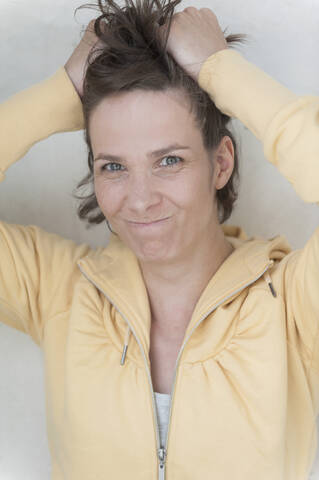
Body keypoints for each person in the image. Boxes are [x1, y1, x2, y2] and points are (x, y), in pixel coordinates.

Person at [1, 0, 319, 478]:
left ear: (221, 163)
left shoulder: (294, 304)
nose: (140, 200)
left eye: (169, 160)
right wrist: (61, 92)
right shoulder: (55, 287)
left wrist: (222, 72)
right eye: (114, 166)